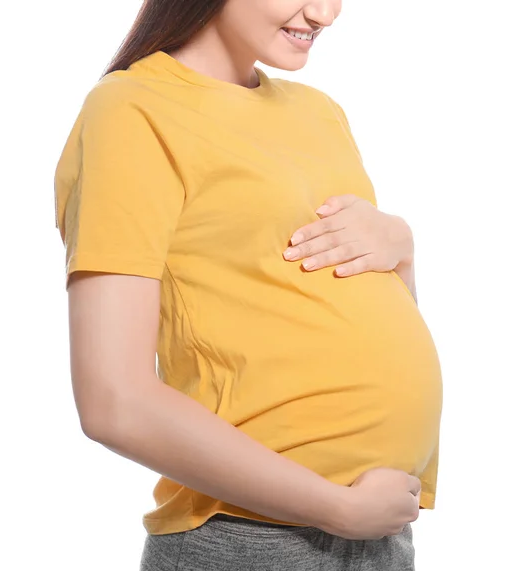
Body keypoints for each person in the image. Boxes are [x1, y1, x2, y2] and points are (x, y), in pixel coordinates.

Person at [54, 0, 443, 569]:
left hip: (380, 529)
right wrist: (333, 508)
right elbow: (114, 402)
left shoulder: (320, 113)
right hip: (253, 536)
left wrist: (402, 251)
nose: (326, 13)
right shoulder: (132, 110)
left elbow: (362, 313)